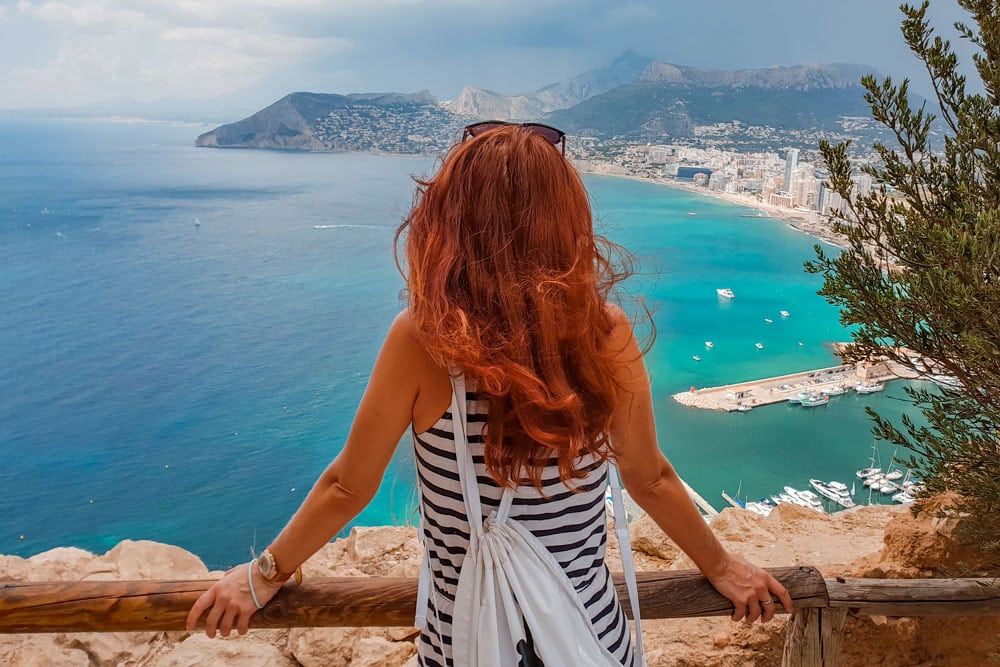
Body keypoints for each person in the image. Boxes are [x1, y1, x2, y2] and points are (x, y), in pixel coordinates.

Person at [186, 122, 793, 665]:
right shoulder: (604, 331)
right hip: (590, 637)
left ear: (452, 222)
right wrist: (721, 566)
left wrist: (263, 576)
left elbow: (350, 486)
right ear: (566, 221)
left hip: (467, 641)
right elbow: (650, 478)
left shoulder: (423, 341)